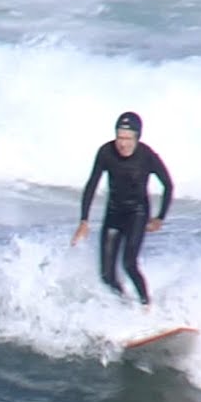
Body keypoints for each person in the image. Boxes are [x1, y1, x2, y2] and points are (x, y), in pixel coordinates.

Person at [70, 111, 174, 308]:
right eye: (119, 137)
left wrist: (160, 217)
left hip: (137, 213)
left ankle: (146, 305)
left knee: (128, 263)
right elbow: (92, 184)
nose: (123, 143)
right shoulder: (106, 153)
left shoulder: (147, 156)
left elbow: (168, 185)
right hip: (113, 214)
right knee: (107, 275)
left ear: (137, 138)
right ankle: (126, 306)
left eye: (128, 138)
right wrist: (84, 221)